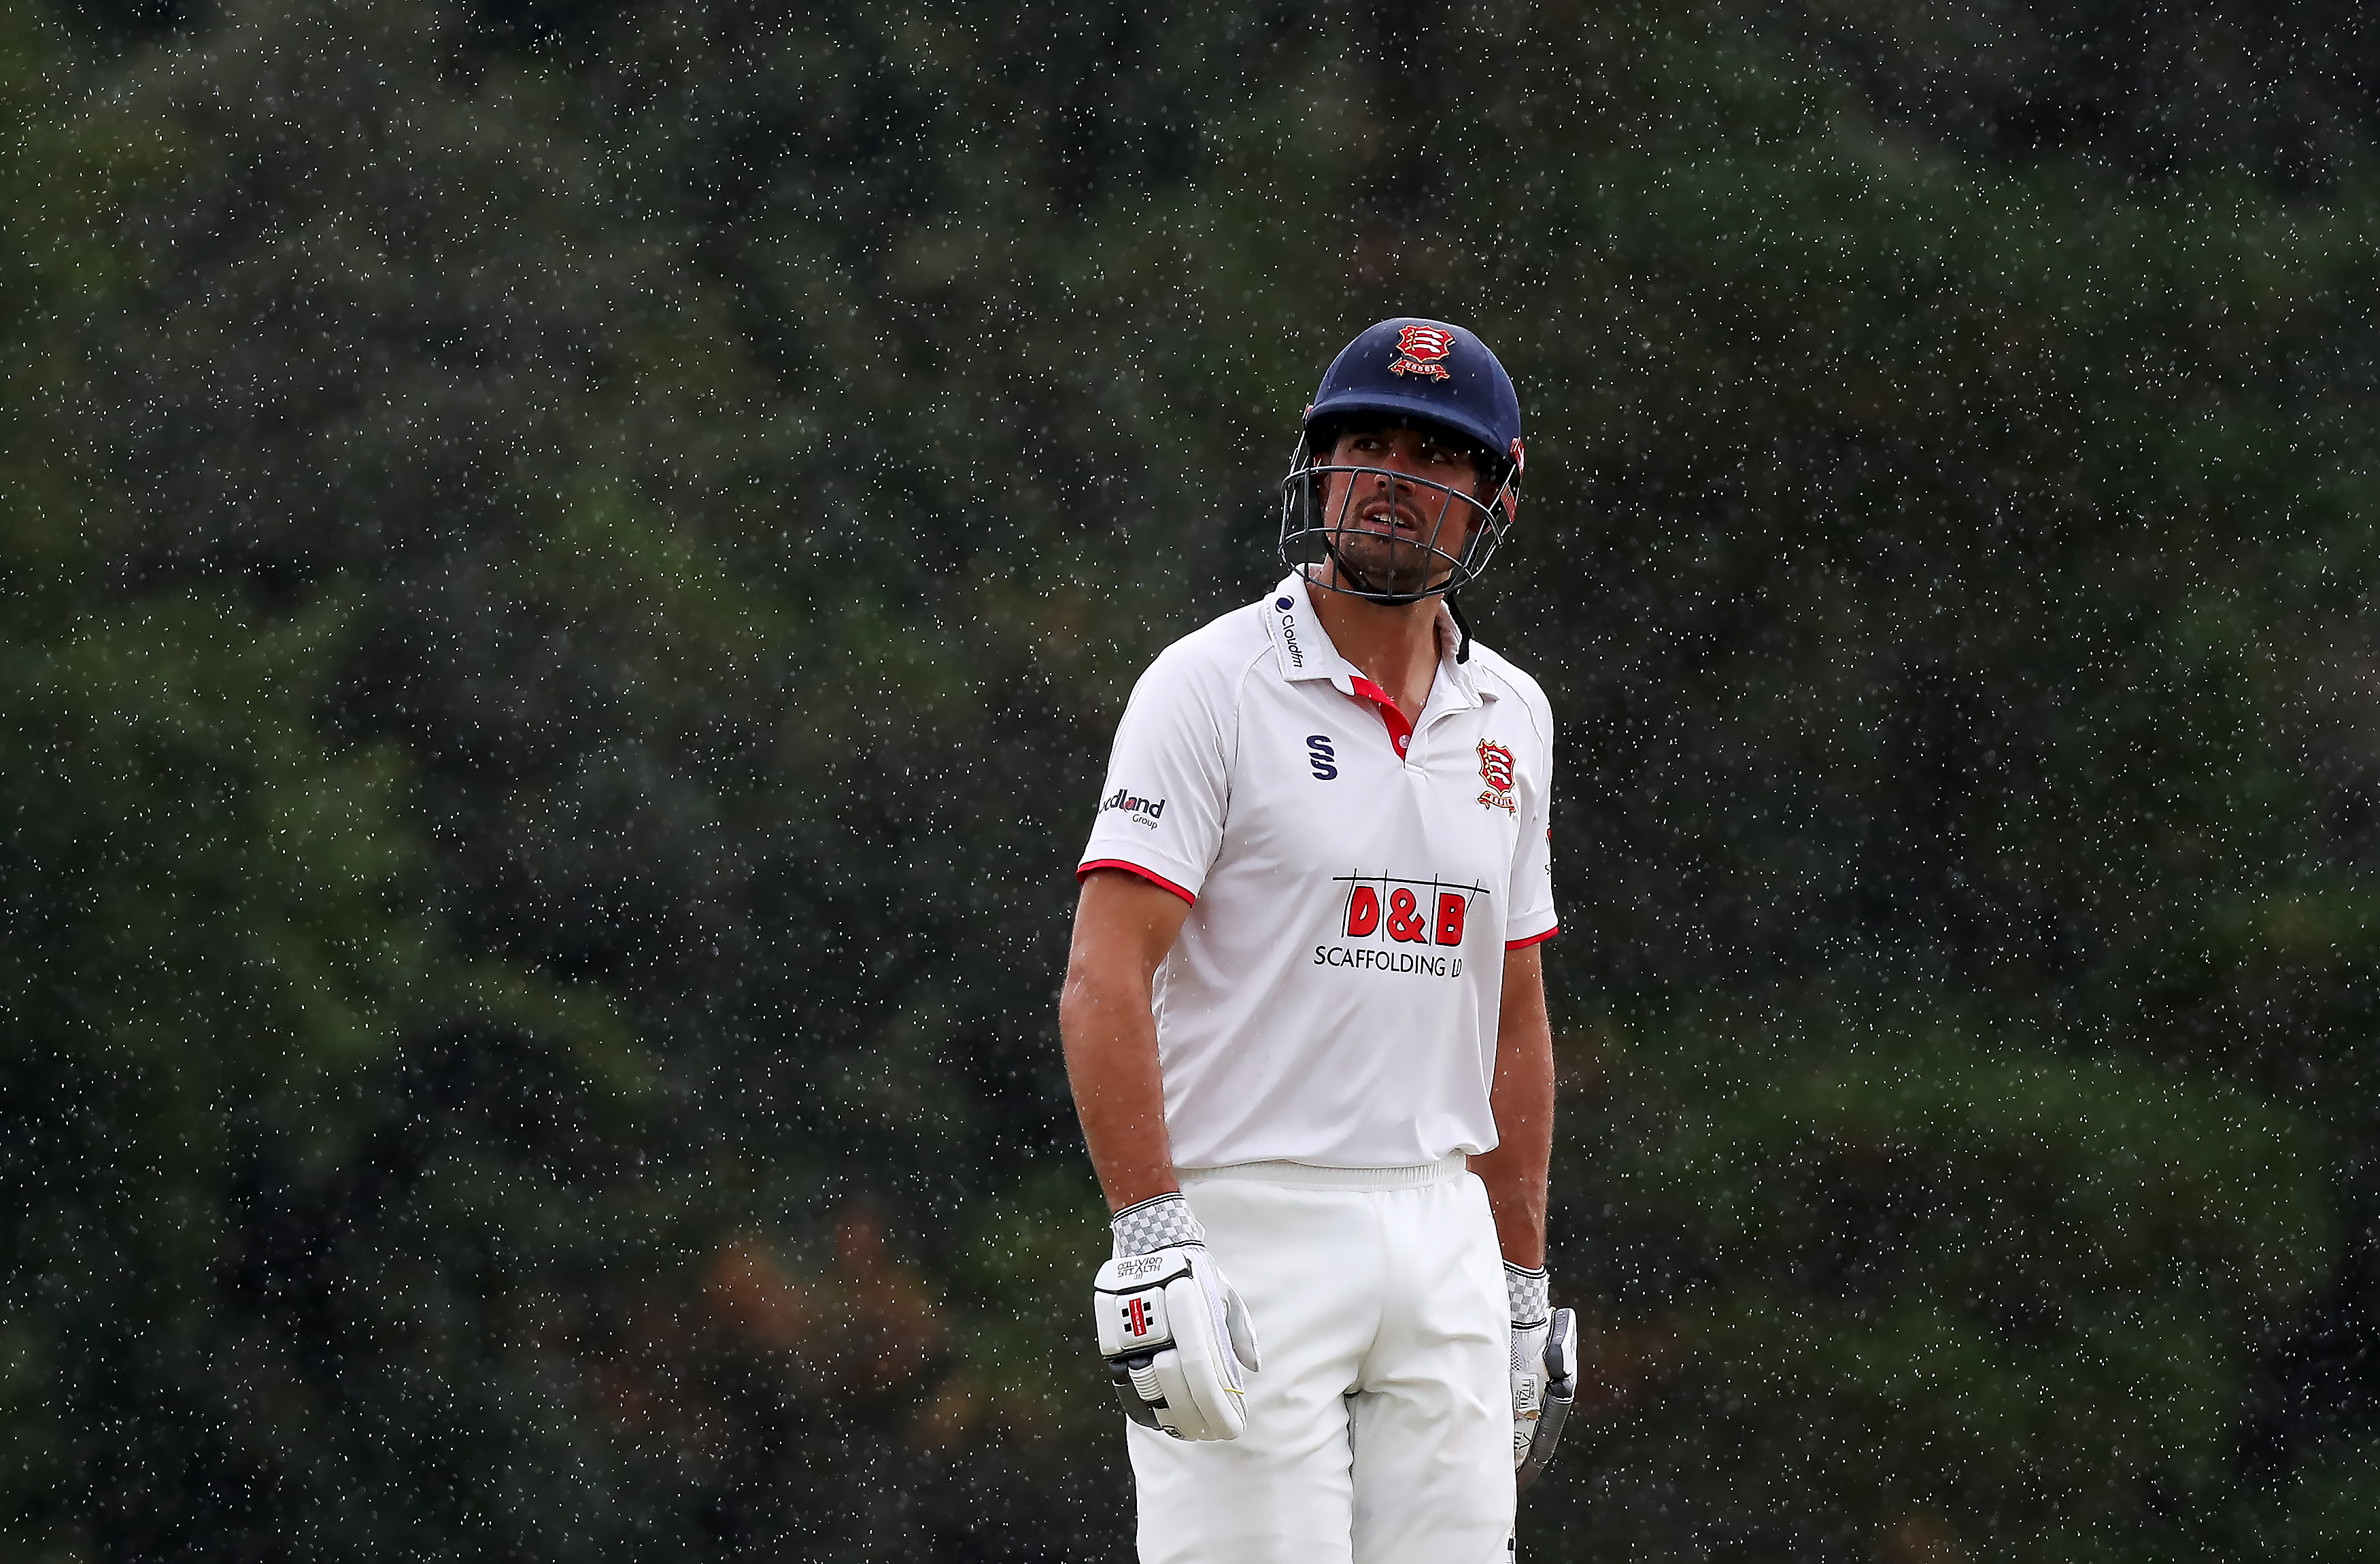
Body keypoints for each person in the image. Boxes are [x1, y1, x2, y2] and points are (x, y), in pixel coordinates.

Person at [1061, 317, 1569, 1564]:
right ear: (1318, 467)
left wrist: (1516, 1273)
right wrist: (1153, 1231)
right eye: (1367, 443)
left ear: (1493, 495)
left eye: (1436, 455)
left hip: (1439, 1224)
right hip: (1248, 1219)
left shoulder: (1514, 716)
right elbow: (1104, 974)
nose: (1394, 477)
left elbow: (1513, 1015)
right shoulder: (1210, 684)